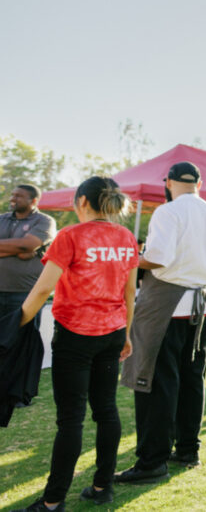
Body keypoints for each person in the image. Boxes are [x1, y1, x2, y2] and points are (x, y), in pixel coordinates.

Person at [15, 177, 137, 511]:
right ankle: (102, 487)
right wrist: (126, 333)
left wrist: (14, 326)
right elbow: (129, 292)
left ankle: (53, 501)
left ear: (82, 201)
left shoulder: (69, 235)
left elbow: (41, 290)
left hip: (75, 336)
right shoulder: (126, 237)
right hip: (112, 333)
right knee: (106, 410)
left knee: (71, 419)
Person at [116, 162, 206, 483]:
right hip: (202, 308)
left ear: (167, 182)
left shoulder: (168, 212)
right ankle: (186, 448)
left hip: (168, 307)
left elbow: (158, 258)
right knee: (192, 379)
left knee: (156, 383)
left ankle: (152, 461)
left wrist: (129, 258)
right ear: (201, 182)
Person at [1, 184, 57, 330]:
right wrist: (19, 250)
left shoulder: (44, 221)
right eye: (13, 194)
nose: (13, 198)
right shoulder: (2, 219)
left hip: (26, 294)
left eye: (19, 196)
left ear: (33, 201)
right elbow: (23, 249)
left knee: (23, 342)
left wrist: (23, 247)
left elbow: (26, 245)